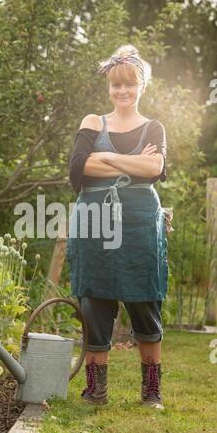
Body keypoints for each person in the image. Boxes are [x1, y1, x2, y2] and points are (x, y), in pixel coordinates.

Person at [66, 44, 168, 410]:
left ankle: (151, 392)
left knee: (145, 300)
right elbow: (77, 169)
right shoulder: (93, 122)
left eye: (130, 84)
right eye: (116, 85)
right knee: (95, 299)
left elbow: (155, 170)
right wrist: (130, 163)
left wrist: (105, 157)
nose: (122, 92)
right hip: (94, 223)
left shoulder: (154, 127)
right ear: (109, 87)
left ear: (143, 86)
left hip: (140, 223)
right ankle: (97, 391)